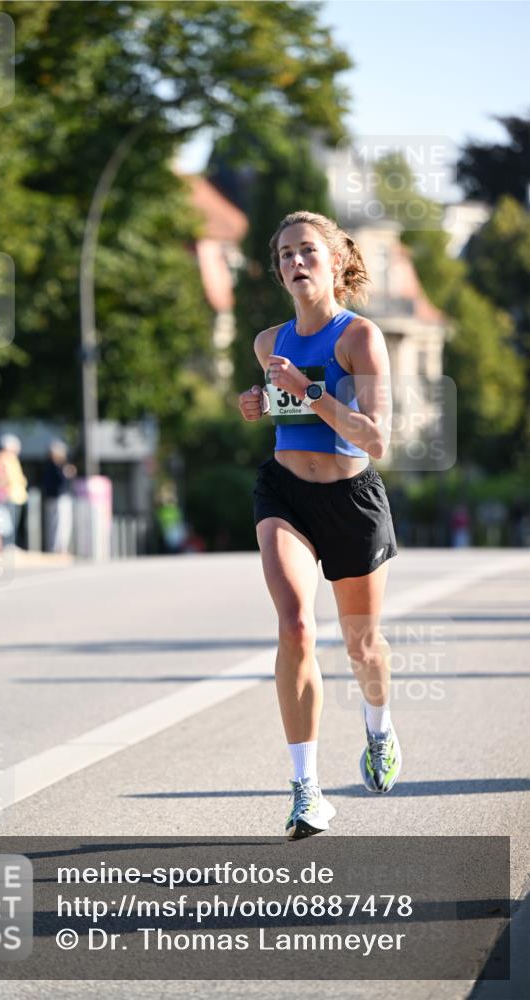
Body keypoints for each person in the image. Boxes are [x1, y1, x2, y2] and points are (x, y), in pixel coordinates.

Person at [238, 210, 401, 839]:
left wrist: (308, 394)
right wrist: (257, 404)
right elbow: (280, 410)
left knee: (362, 646)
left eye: (307, 251)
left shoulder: (359, 337)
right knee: (295, 624)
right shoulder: (267, 342)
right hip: (284, 493)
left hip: (352, 500)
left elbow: (377, 438)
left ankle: (379, 728)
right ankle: (307, 790)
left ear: (334, 262)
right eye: (284, 255)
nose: (295, 262)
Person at [42, 441, 76, 553]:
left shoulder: (50, 465)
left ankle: (58, 547)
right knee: (59, 524)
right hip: (59, 497)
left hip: (54, 497)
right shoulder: (56, 466)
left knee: (57, 524)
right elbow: (61, 480)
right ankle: (58, 548)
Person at [0, 434, 28, 549]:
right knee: (8, 523)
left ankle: (10, 544)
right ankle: (7, 545)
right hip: (10, 495)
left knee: (13, 523)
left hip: (17, 495)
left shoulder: (12, 459)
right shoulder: (4, 458)